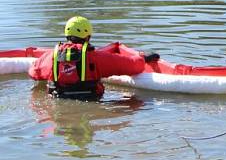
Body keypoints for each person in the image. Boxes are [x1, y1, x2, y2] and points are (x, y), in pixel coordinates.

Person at [28, 16, 159, 100]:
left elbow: (33, 73)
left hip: (58, 100)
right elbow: (133, 66)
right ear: (88, 37)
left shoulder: (51, 57)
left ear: (66, 35)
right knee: (137, 103)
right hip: (91, 100)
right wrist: (143, 58)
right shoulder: (97, 58)